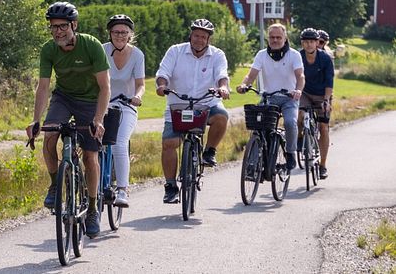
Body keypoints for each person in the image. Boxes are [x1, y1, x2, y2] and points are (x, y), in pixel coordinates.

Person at [26, 1, 110, 238]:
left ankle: (93, 209)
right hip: (64, 98)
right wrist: (36, 120)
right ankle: (55, 185)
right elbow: (43, 87)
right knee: (49, 136)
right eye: (53, 27)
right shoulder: (48, 49)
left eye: (62, 26)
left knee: (91, 156)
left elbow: (105, 87)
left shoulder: (91, 45)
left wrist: (98, 119)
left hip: (91, 100)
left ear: (74, 25)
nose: (57, 32)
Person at [155, 19, 231, 204]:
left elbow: (222, 75)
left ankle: (209, 152)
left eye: (203, 37)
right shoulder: (175, 51)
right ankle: (171, 186)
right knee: (169, 143)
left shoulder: (217, 55)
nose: (199, 40)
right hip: (178, 106)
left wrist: (223, 88)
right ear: (191, 35)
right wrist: (162, 85)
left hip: (206, 104)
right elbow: (163, 72)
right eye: (196, 35)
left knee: (222, 116)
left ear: (208, 40)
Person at [236, 23, 305, 172]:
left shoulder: (294, 55)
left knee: (290, 122)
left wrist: (298, 90)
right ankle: (253, 164)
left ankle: (290, 153)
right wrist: (244, 85)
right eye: (272, 37)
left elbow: (300, 76)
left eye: (278, 37)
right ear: (268, 38)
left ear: (285, 38)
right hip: (269, 98)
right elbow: (251, 75)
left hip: (289, 98)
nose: (275, 40)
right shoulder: (262, 55)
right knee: (258, 128)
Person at [102, 14, 145, 208]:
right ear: (110, 33)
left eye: (124, 32)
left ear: (130, 35)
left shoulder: (137, 54)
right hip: (103, 105)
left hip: (126, 106)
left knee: (119, 144)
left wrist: (137, 96)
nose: (120, 36)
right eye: (116, 32)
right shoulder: (101, 51)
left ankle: (122, 189)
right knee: (93, 146)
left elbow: (141, 84)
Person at [298, 28, 334, 179]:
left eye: (312, 41)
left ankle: (323, 165)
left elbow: (329, 82)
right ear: (302, 43)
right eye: (305, 42)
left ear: (317, 43)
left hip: (322, 94)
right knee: (299, 115)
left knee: (323, 127)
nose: (309, 45)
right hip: (304, 92)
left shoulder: (325, 58)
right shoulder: (298, 56)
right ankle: (300, 138)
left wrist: (326, 100)